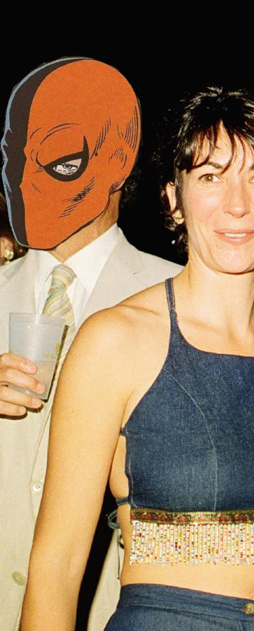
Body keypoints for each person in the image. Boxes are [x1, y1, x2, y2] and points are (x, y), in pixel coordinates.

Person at [19, 87, 254, 631]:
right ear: (173, 199)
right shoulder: (115, 340)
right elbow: (57, 567)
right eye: (210, 177)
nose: (237, 204)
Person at [0, 58, 181, 631]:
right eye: (12, 159)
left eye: (58, 159)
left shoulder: (181, 301)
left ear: (117, 161)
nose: (23, 183)